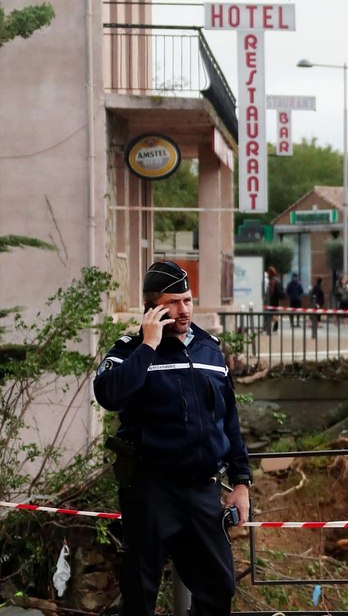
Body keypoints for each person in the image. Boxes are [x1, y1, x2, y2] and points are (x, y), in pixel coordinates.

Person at [93, 261, 251, 616]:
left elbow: (229, 420)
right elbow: (109, 396)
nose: (185, 310)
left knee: (219, 589)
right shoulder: (128, 351)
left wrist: (241, 482)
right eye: (174, 302)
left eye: (188, 300)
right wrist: (147, 347)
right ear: (153, 308)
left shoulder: (209, 349)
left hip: (203, 492)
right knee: (139, 595)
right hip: (151, 492)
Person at [266, 266, 283, 333]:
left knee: (271, 314)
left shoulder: (272, 281)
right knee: (275, 313)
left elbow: (271, 292)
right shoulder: (277, 280)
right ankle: (275, 327)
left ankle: (270, 327)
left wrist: (268, 297)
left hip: (272, 300)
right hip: (277, 300)